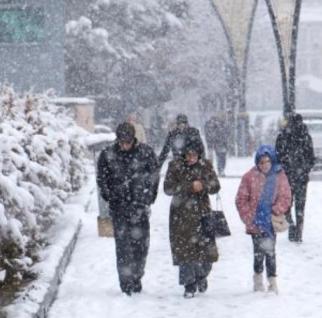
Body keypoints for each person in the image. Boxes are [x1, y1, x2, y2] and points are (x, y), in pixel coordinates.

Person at [97, 122, 160, 296]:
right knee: (123, 247)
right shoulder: (108, 154)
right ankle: (126, 283)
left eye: (128, 142)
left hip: (139, 206)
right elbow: (102, 178)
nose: (125, 145)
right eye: (121, 142)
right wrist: (109, 195)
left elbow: (154, 176)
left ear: (133, 139)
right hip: (119, 207)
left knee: (141, 246)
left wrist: (148, 196)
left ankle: (137, 276)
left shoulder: (145, 153)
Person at [164, 137, 221, 298]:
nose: (190, 158)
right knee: (185, 251)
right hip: (181, 215)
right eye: (188, 155)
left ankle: (201, 275)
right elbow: (168, 188)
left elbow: (215, 186)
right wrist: (189, 187)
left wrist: (203, 185)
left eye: (194, 155)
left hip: (202, 213)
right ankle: (189, 285)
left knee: (206, 252)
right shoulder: (175, 166)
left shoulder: (205, 165)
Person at [235, 145, 291, 294]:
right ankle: (258, 278)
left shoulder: (279, 175)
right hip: (255, 222)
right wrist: (249, 217)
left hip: (271, 221)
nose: (265, 164)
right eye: (261, 162)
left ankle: (272, 281)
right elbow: (241, 199)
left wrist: (275, 211)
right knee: (258, 252)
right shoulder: (249, 177)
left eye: (267, 161)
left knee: (271, 252)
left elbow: (285, 197)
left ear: (272, 160)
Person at [274, 113, 315, 243]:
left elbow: (277, 156)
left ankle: (291, 226)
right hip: (302, 177)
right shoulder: (306, 137)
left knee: (286, 204)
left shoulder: (283, 136)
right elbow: (311, 157)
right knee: (300, 206)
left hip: (287, 176)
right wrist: (305, 169)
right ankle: (298, 233)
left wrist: (284, 168)